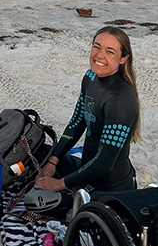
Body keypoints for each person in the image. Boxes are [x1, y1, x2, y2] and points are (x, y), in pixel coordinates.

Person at [33, 26, 140, 198]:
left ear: (123, 58)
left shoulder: (121, 100)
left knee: (36, 202)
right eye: (96, 47)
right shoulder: (90, 77)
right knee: (37, 154)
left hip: (109, 187)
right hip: (85, 172)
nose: (99, 55)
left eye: (110, 52)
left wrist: (59, 184)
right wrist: (54, 160)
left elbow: (104, 163)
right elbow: (76, 124)